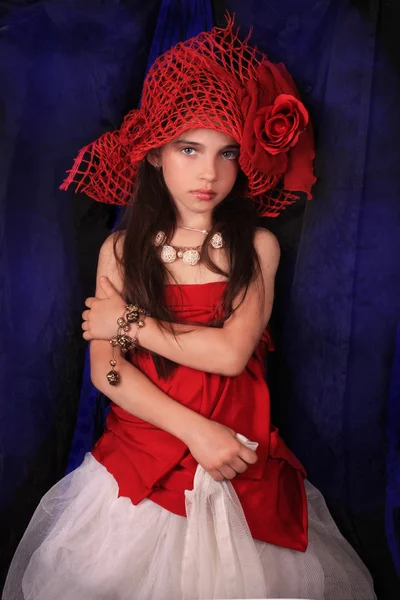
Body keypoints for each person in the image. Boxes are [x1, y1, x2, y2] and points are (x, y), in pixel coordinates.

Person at [3, 17, 376, 600]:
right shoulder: (122, 250)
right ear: (154, 154)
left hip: (236, 459)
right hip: (146, 455)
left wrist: (125, 322)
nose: (209, 172)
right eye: (189, 149)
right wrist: (195, 430)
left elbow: (229, 354)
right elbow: (108, 372)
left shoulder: (257, 246)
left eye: (228, 152)